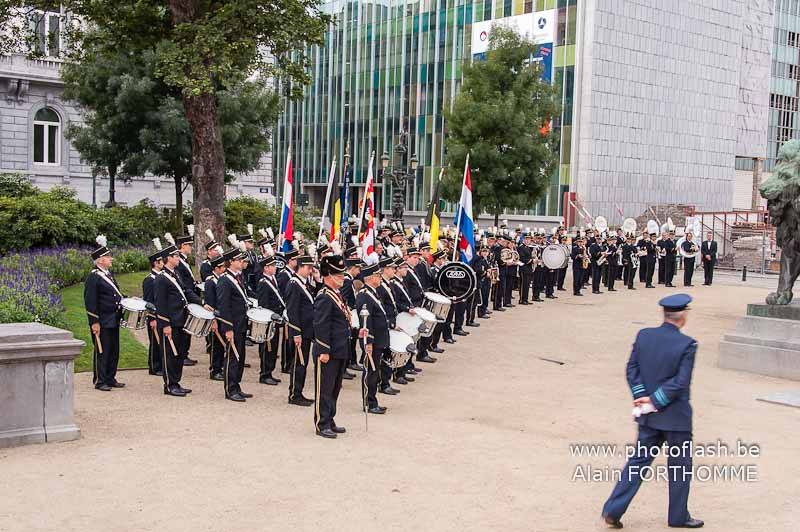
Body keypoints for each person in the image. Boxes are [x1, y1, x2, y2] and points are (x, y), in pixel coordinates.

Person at [601, 294, 703, 529]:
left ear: (664, 314)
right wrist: (656, 400)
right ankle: (678, 517)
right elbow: (680, 382)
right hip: (676, 418)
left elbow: (631, 368)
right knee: (679, 469)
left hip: (648, 415)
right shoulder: (688, 344)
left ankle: (613, 509)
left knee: (637, 463)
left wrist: (641, 397)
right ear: (683, 316)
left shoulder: (644, 335)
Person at [154, 242, 203, 397]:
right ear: (169, 258)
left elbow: (187, 292)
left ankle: (176, 381)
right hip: (171, 321)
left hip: (181, 319)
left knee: (179, 353)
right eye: (176, 256)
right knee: (170, 353)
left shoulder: (176, 274)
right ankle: (169, 385)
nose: (178, 259)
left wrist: (202, 303)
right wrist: (165, 324)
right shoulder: (161, 279)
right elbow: (160, 304)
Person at [312, 255, 353, 439]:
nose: (342, 278)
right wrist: (324, 350)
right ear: (328, 275)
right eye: (339, 274)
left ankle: (330, 418)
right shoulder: (324, 297)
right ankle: (322, 423)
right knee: (325, 388)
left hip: (341, 347)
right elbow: (321, 326)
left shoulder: (337, 294)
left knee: (336, 387)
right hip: (328, 351)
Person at [84, 235, 124, 391]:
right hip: (102, 319)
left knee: (114, 350)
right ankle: (100, 380)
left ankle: (110, 377)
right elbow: (90, 301)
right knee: (102, 350)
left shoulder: (108, 275)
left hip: (113, 318)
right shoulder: (94, 277)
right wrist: (94, 322)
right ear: (100, 260)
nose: (111, 259)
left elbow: (115, 295)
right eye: (108, 257)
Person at [216, 247, 252, 402]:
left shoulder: (239, 277)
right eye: (238, 260)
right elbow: (224, 306)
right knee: (232, 357)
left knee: (240, 356)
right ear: (231, 262)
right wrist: (228, 328)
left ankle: (236, 385)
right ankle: (230, 389)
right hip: (233, 325)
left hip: (241, 323)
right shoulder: (225, 280)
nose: (241, 262)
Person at [355, 262, 389, 415]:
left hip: (379, 339)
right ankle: (368, 402)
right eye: (378, 275)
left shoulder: (373, 292)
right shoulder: (364, 295)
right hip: (372, 340)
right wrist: (368, 342)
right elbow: (365, 321)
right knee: (370, 371)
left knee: (375, 371)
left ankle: (373, 399)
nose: (380, 278)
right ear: (371, 278)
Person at [286, 254, 316, 406]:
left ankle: (299, 392)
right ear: (301, 267)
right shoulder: (294, 283)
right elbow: (292, 311)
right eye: (308, 268)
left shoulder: (305, 283)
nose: (310, 271)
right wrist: (296, 333)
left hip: (307, 330)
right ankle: (294, 394)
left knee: (302, 364)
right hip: (300, 331)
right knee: (298, 363)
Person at [256, 254, 284, 386]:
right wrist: (270, 317)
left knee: (273, 347)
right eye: (272, 266)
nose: (275, 268)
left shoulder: (273, 279)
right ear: (266, 268)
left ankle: (270, 371)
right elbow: (263, 304)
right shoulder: (263, 283)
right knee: (267, 348)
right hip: (269, 320)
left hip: (275, 319)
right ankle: (265, 374)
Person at [203, 254, 227, 381]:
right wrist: (213, 320)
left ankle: (220, 367)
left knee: (222, 345)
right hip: (215, 317)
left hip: (223, 316)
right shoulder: (210, 281)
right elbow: (209, 304)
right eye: (222, 266)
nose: (224, 268)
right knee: (216, 346)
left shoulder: (222, 279)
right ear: (216, 268)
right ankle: (214, 369)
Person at [142, 242, 164, 376]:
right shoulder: (149, 280)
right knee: (155, 343)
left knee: (160, 341)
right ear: (156, 263)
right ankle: (154, 367)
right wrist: (152, 318)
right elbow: (149, 301)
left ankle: (160, 365)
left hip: (161, 315)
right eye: (161, 261)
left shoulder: (160, 278)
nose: (163, 263)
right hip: (154, 316)